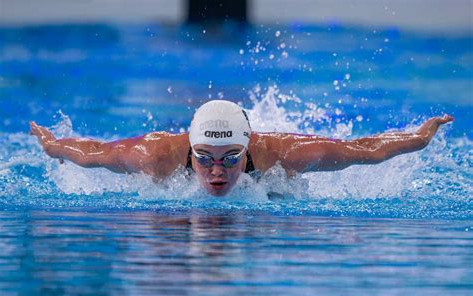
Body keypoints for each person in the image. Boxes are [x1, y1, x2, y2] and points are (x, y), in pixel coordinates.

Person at [30, 100, 453, 196]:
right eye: (206, 159)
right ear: (190, 151)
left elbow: (363, 149)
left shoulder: (280, 155)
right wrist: (52, 146)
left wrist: (415, 138)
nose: (217, 171)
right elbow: (90, 152)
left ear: (247, 149)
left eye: (231, 158)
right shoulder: (154, 156)